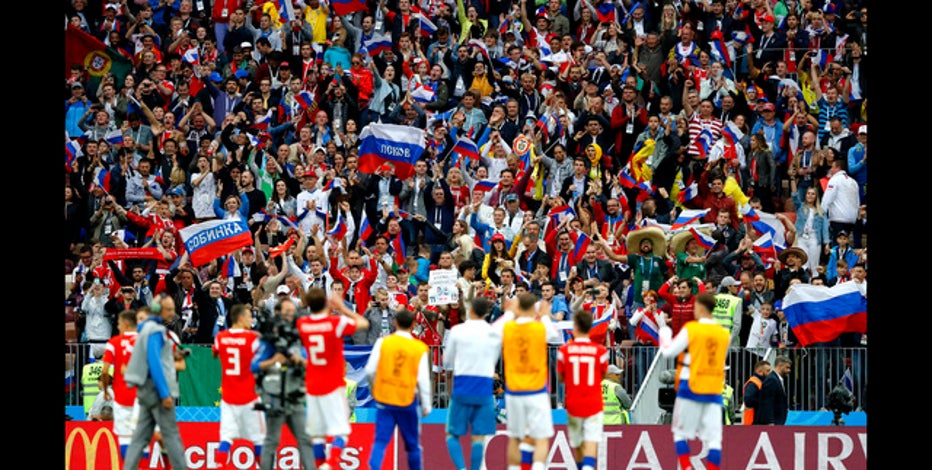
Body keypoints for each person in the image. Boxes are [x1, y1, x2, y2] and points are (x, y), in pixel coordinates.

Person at [296, 287, 370, 470]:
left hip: (312, 386)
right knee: (342, 432)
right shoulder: (335, 323)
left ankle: (320, 465)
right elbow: (363, 324)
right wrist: (342, 308)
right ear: (326, 303)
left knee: (318, 436)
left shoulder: (302, 324)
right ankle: (330, 464)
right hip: (333, 385)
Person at [657, 292, 729, 470]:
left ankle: (687, 467)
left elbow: (668, 351)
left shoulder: (692, 328)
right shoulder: (723, 334)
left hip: (691, 386)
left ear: (701, 308)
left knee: (679, 433)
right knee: (714, 440)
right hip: (713, 390)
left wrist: (664, 332)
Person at [493, 293, 562, 470]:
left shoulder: (508, 328)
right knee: (540, 437)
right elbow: (555, 336)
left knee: (516, 438)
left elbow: (492, 331)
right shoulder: (539, 329)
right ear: (534, 309)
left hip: (514, 390)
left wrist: (509, 312)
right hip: (536, 390)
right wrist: (545, 315)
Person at [122, 295, 189, 470]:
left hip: (146, 389)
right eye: (169, 309)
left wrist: (172, 355)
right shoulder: (156, 331)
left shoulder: (146, 328)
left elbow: (155, 356)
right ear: (158, 310)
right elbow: (154, 362)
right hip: (157, 391)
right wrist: (165, 393)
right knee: (171, 436)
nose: (173, 313)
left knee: (139, 438)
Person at [251, 297, 317, 470]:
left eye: (292, 312)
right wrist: (273, 360)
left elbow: (310, 363)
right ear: (278, 312)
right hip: (274, 396)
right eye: (286, 311)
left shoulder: (298, 338)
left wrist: (300, 361)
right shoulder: (269, 340)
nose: (289, 315)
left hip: (294, 395)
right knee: (272, 441)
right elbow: (254, 366)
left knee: (304, 439)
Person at [365, 306, 432, 470]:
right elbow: (423, 379)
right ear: (413, 324)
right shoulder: (419, 348)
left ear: (395, 322)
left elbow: (369, 370)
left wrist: (374, 389)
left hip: (385, 398)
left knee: (380, 442)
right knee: (412, 445)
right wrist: (427, 404)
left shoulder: (383, 342)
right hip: (407, 399)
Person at [443, 297, 501, 470]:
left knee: (451, 434)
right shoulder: (494, 333)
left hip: (463, 384)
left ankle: (461, 468)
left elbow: (447, 362)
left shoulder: (458, 330)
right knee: (478, 437)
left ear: (471, 310)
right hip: (483, 387)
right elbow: (493, 360)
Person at [212, 304, 264, 468]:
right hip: (250, 396)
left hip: (229, 397)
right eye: (249, 316)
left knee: (226, 439)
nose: (251, 319)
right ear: (240, 318)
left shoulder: (221, 337)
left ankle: (220, 466)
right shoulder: (253, 338)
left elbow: (215, 353)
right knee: (259, 439)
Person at [556, 310, 610, 470]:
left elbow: (560, 377)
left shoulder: (564, 350)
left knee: (578, 443)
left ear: (575, 327)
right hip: (594, 402)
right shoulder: (601, 351)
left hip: (573, 403)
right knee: (591, 440)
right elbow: (603, 375)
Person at [99, 310, 139, 461]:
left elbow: (104, 371)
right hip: (142, 394)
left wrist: (105, 390)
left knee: (124, 437)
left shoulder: (113, 343)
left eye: (119, 324)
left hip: (122, 396)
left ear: (126, 324)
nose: (118, 327)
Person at [755, 355, 791, 425]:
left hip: (778, 421)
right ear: (780, 366)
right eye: (787, 368)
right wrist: (770, 421)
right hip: (773, 422)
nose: (789, 370)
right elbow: (767, 402)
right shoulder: (771, 380)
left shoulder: (777, 379)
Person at [712, 276, 744, 347]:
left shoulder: (713, 299)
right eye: (735, 286)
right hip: (729, 343)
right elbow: (737, 325)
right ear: (729, 287)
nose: (737, 288)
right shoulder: (736, 301)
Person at [741, 360, 772, 425]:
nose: (770, 373)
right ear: (760, 372)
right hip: (753, 421)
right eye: (768, 371)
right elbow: (748, 400)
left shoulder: (759, 383)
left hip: (756, 421)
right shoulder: (753, 383)